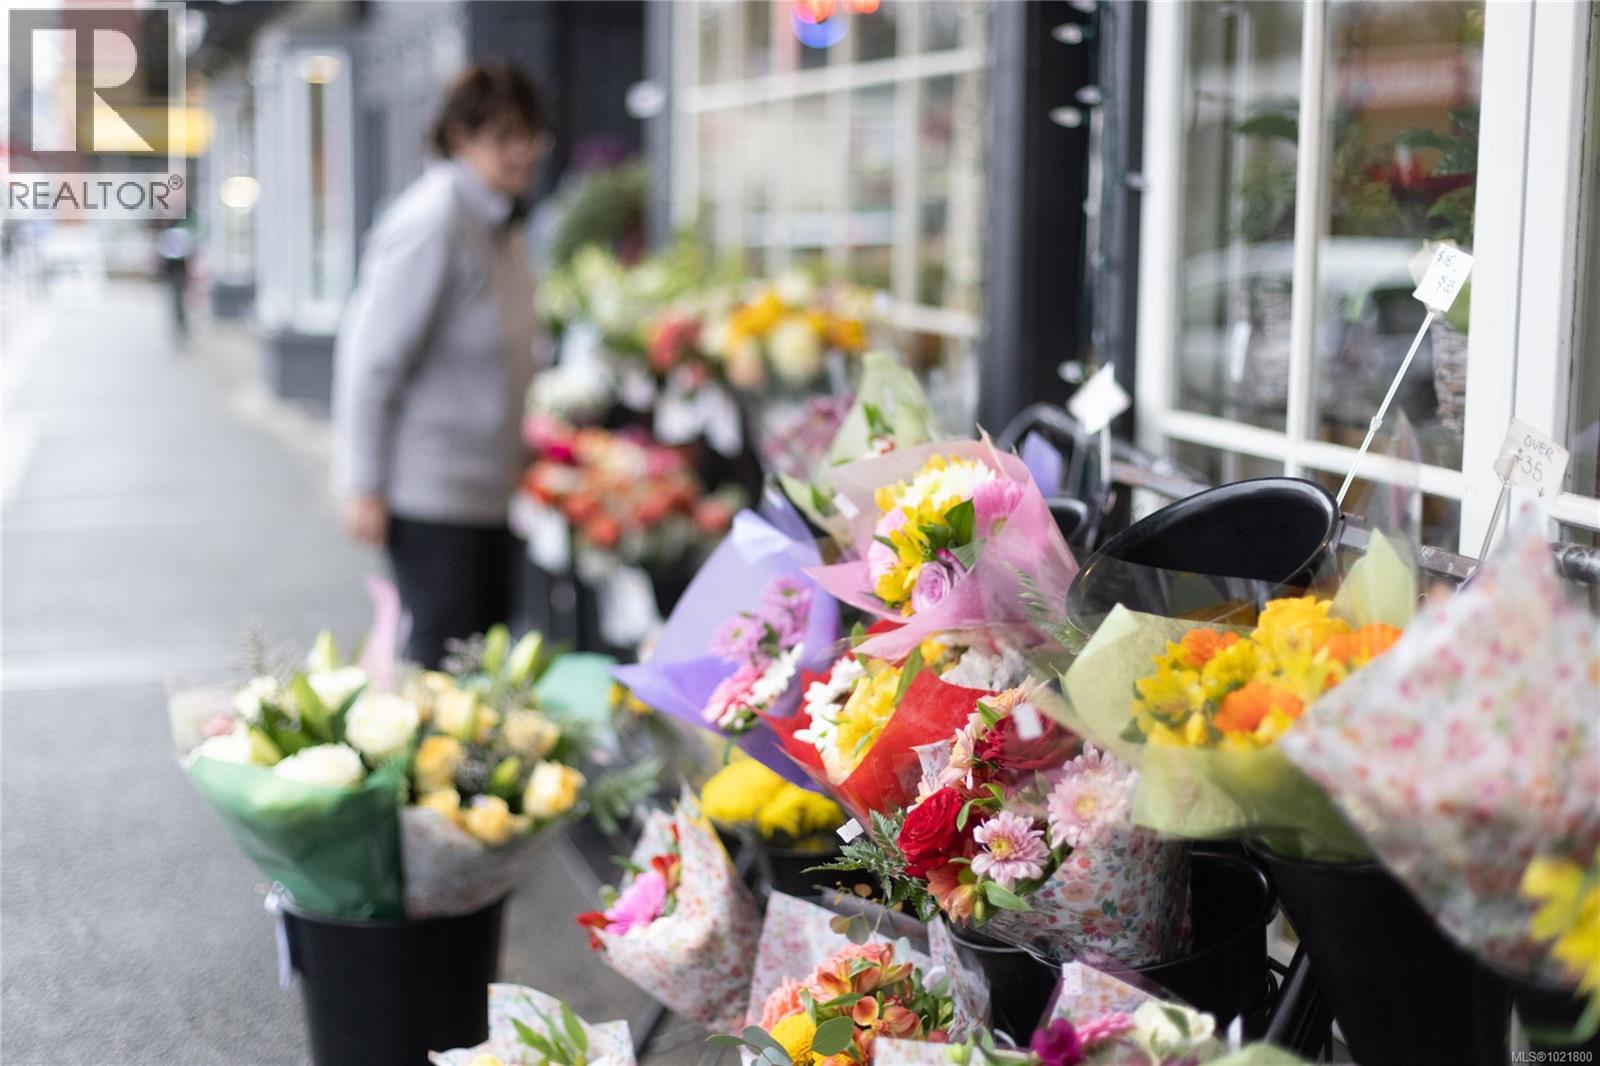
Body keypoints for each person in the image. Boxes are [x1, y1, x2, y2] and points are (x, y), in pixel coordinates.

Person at [332, 62, 548, 667]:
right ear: (460, 137)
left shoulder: (501, 219)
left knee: (485, 667)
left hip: (490, 491)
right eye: (504, 136)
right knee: (443, 670)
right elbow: (372, 361)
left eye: (531, 135)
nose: (523, 151)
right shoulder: (432, 222)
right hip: (430, 496)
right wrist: (364, 486)